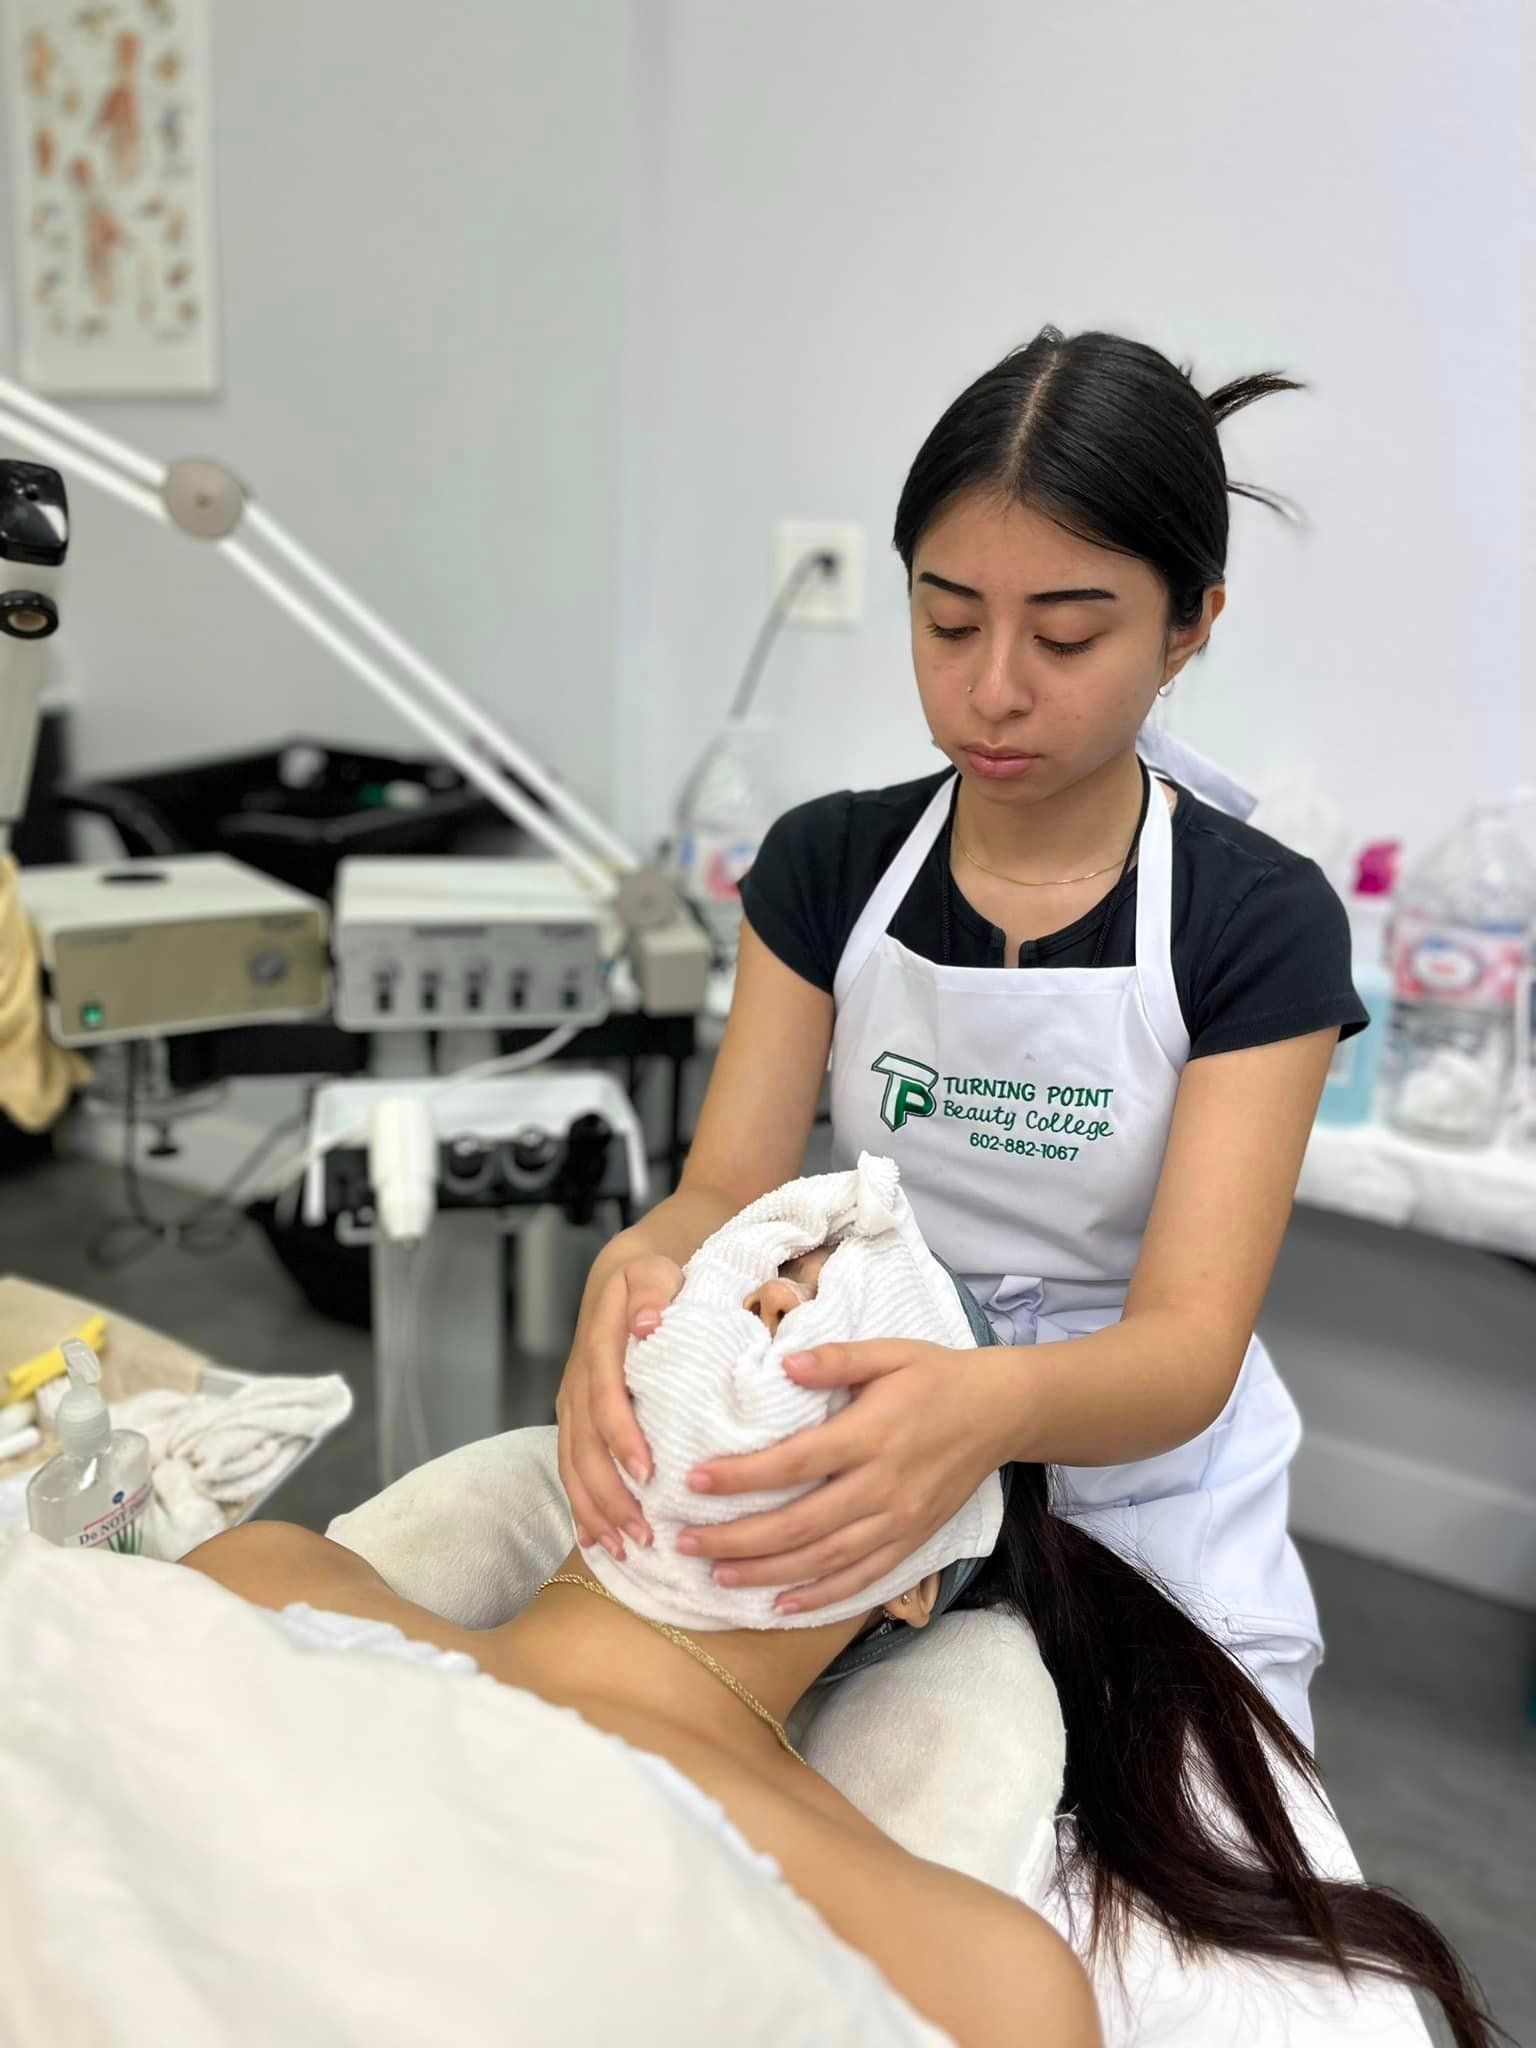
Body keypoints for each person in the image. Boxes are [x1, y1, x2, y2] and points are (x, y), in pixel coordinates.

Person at [559, 325, 1369, 1751]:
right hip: (850, 1416)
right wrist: (636, 1275)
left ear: (1189, 625)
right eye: (946, 623)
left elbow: (1185, 1347)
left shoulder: (1256, 920)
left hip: (1139, 1482)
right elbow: (720, 1193)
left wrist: (982, 1406)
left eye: (1066, 636)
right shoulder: (828, 868)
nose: (993, 688)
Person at [183, 1213, 1496, 2048]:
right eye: (765, 1271)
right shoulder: (263, 1578)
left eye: (851, 1310)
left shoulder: (981, 1977)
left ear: (917, 1580)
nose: (777, 1304)